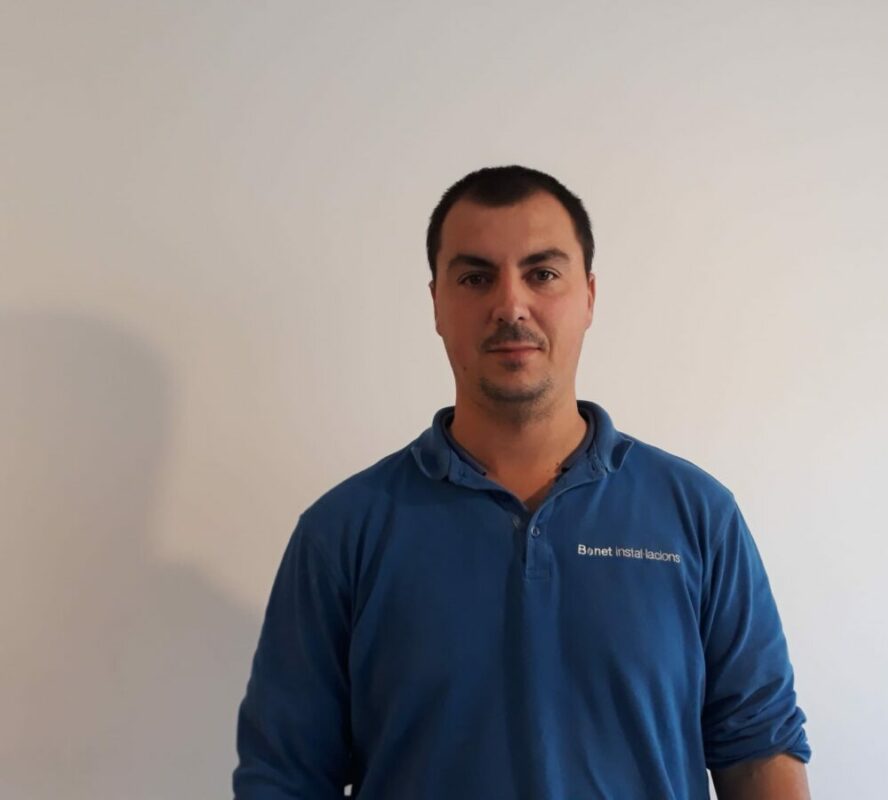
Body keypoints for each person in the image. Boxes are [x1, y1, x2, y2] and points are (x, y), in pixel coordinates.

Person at [232, 165, 812, 799]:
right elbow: (284, 778)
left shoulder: (696, 516)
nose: (510, 306)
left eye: (542, 274)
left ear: (589, 296)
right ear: (436, 303)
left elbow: (760, 750)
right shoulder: (343, 532)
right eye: (476, 277)